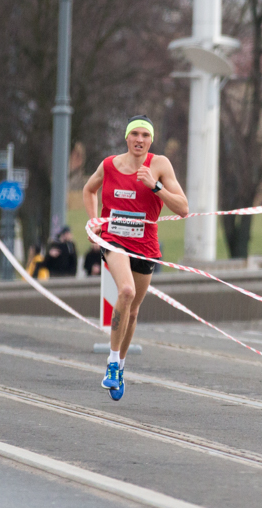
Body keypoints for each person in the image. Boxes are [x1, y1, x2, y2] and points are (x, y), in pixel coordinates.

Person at [82, 115, 188, 401]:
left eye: (145, 135)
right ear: (126, 138)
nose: (139, 139)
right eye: (135, 134)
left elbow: (183, 209)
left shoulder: (160, 165)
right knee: (126, 290)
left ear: (151, 140)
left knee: (134, 310)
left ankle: (121, 366)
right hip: (114, 240)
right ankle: (112, 362)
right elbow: (89, 189)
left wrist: (155, 186)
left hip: (145, 245)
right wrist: (94, 223)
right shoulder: (109, 165)